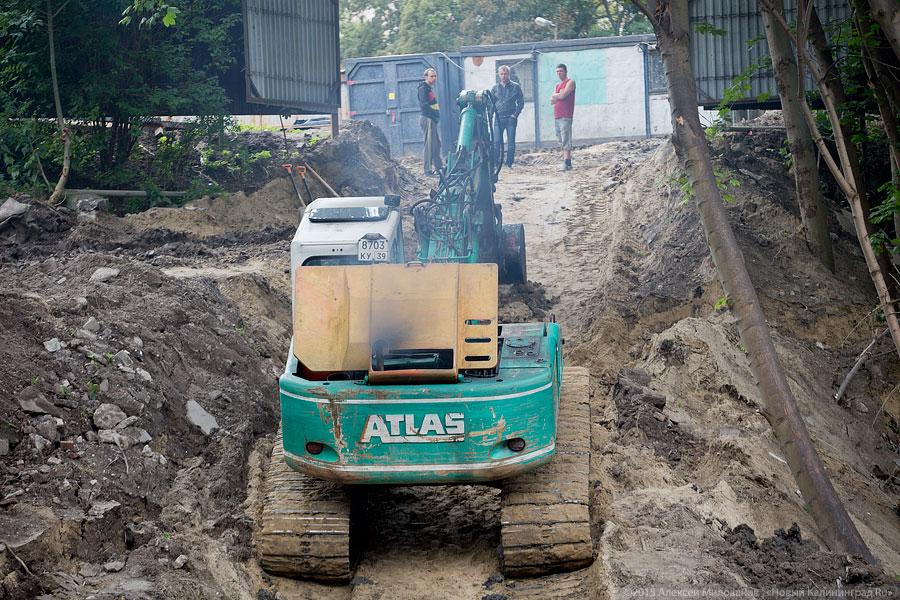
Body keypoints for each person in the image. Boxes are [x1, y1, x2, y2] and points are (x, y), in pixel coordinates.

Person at [491, 65, 524, 168]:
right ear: (499, 75)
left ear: (509, 74)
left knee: (511, 143)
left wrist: (515, 114)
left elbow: (521, 102)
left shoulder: (516, 87)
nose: (504, 76)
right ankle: (496, 164)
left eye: (505, 74)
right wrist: (490, 116)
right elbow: (491, 103)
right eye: (501, 74)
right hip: (498, 118)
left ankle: (509, 164)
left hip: (511, 118)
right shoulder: (495, 88)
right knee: (496, 142)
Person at [550, 63, 576, 171]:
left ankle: (567, 162)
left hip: (566, 114)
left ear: (565, 71)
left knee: (566, 138)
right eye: (557, 71)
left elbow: (563, 95)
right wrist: (558, 95)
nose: (559, 73)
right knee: (560, 139)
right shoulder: (558, 85)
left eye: (560, 71)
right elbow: (552, 100)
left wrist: (558, 95)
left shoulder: (570, 82)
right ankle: (567, 162)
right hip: (557, 115)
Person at [417, 67, 442, 176]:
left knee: (437, 144)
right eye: (431, 76)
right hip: (427, 119)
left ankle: (439, 167)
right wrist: (434, 114)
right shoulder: (423, 88)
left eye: (435, 76)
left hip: (431, 119)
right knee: (429, 145)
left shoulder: (428, 88)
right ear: (426, 77)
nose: (434, 78)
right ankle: (427, 170)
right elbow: (424, 105)